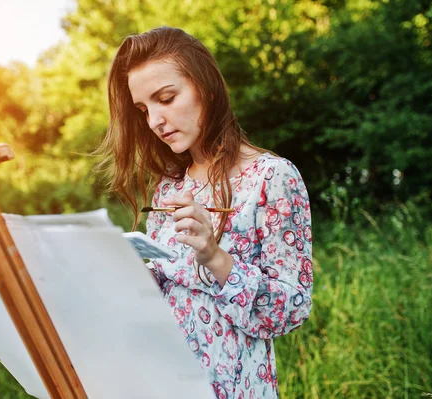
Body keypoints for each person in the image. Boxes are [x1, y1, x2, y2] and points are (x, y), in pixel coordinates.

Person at [96, 26, 313, 399]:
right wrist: (130, 275)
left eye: (166, 98)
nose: (154, 122)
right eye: (144, 110)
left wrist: (214, 256)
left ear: (206, 86)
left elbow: (291, 309)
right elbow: (170, 291)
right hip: (162, 383)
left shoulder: (272, 178)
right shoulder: (169, 186)